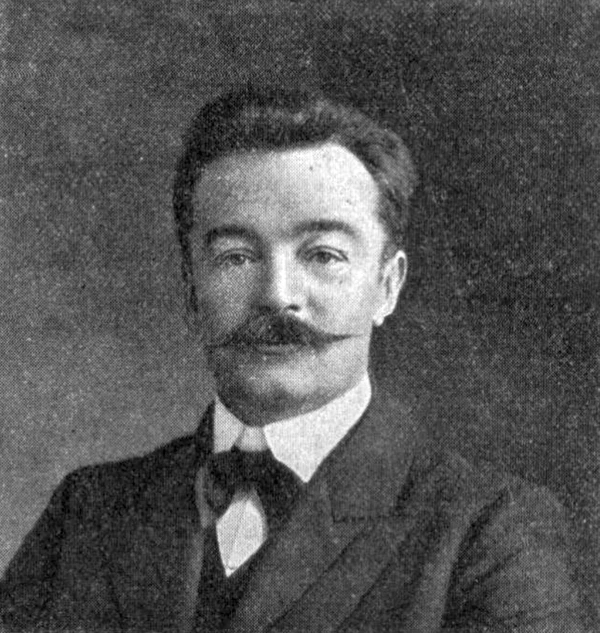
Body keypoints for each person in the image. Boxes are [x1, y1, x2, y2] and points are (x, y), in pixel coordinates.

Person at [0, 86, 587, 632]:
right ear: (191, 291)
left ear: (387, 286)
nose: (277, 295)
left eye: (324, 254)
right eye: (236, 257)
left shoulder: (489, 531)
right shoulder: (89, 512)